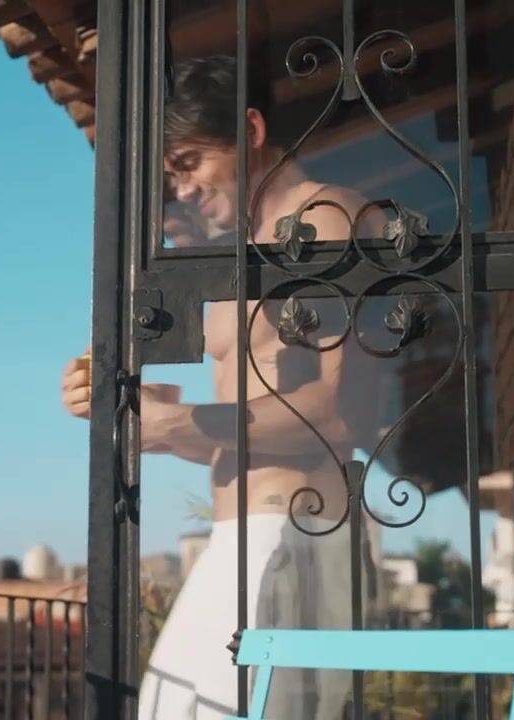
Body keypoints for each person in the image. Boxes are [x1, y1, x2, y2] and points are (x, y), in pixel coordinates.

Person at [61, 55, 387, 719]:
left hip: (294, 536)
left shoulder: (325, 218)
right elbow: (248, 430)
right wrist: (146, 420)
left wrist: (178, 423)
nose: (181, 190)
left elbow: (342, 412)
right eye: (171, 174)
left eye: (190, 164)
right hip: (244, 539)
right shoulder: (249, 252)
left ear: (251, 130)